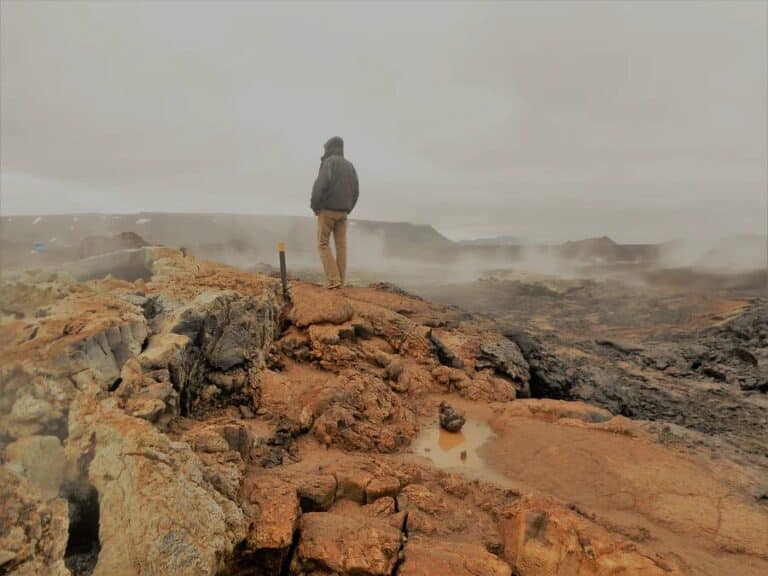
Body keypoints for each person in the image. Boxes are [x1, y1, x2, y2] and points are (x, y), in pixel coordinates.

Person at [311, 136, 359, 289]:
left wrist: (315, 206)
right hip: (343, 213)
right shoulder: (350, 166)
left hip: (328, 210)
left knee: (322, 243)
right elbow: (356, 191)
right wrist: (348, 208)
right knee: (341, 246)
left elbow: (320, 186)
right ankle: (341, 280)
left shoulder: (328, 163)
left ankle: (333, 280)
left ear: (329, 148)